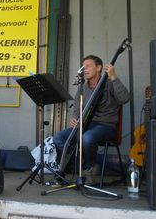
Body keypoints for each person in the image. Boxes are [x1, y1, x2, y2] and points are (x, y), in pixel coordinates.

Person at [53, 55, 130, 184]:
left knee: (87, 137)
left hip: (106, 126)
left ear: (99, 68)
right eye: (83, 67)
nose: (85, 70)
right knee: (59, 138)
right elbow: (77, 108)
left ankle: (90, 167)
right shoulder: (82, 88)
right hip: (86, 125)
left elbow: (124, 98)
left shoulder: (110, 83)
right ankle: (78, 168)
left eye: (88, 66)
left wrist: (113, 77)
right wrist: (75, 119)